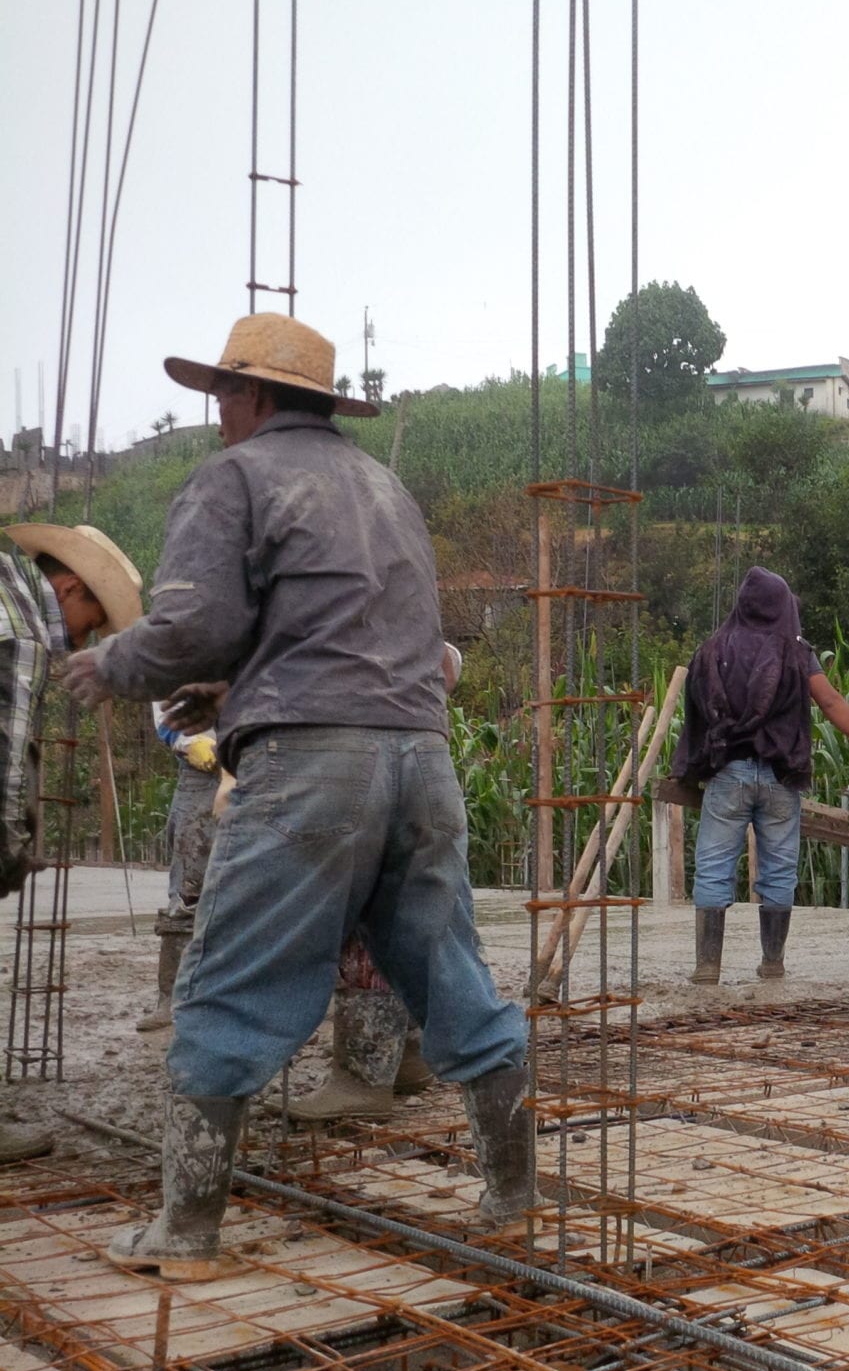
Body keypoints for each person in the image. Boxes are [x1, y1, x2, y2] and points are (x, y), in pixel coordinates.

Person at [65, 312, 533, 1279]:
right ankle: (513, 1197)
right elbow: (355, 636)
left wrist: (114, 663)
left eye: (223, 393)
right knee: (452, 978)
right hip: (420, 759)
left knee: (226, 983)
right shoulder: (386, 487)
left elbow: (194, 624)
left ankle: (187, 1235)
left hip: (313, 767)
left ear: (257, 397)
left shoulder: (233, 478)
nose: (216, 411)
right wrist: (240, 689)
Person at [674, 568, 849, 986]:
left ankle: (708, 966)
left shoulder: (713, 647)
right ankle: (772, 961)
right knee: (779, 871)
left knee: (713, 867)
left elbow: (699, 712)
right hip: (781, 777)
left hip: (729, 775)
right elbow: (829, 701)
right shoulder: (796, 652)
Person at [0, 522, 144, 1163]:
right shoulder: (25, 635)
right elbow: (6, 758)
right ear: (71, 586)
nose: (84, 640)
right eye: (91, 623)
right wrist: (8, 838)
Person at [288, 641, 466, 1120]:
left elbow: (447, 664)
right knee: (405, 926)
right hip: (415, 770)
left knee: (366, 933)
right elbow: (447, 665)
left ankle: (363, 1081)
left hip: (376, 772)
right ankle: (407, 1058)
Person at [140, 702, 219, 1033]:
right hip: (202, 770)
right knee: (187, 892)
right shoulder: (180, 650)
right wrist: (189, 739)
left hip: (263, 764)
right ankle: (170, 999)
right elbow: (166, 697)